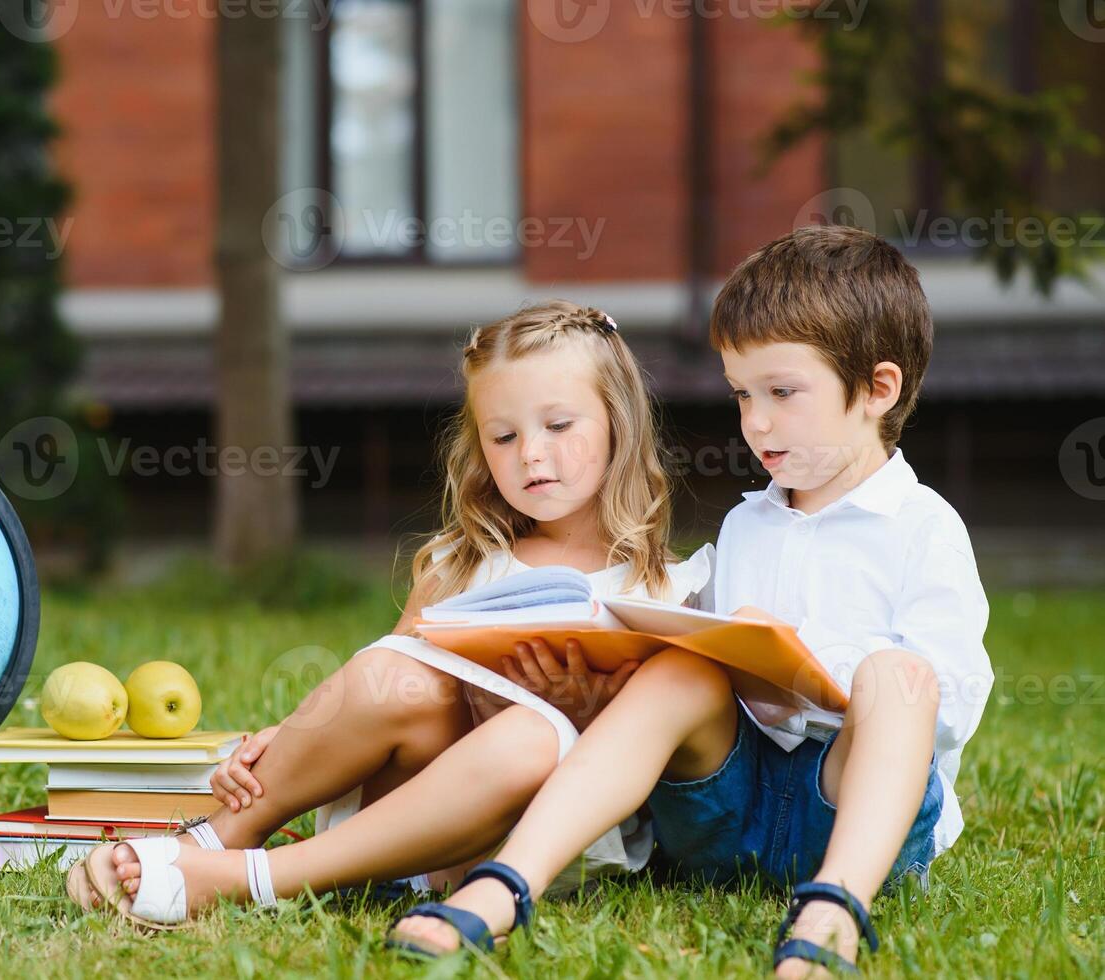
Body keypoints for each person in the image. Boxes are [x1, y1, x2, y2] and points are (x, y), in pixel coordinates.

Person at [387, 226, 994, 977]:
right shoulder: (747, 524)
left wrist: (821, 674)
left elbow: (950, 703)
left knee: (901, 678)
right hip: (727, 816)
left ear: (878, 389)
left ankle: (835, 908)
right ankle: (505, 885)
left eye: (782, 393)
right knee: (682, 670)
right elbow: (713, 692)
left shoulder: (923, 528)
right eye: (744, 394)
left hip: (855, 815)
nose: (756, 421)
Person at [64, 299, 714, 926]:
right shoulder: (463, 560)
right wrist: (290, 735)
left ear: (617, 421)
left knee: (528, 740)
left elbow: (651, 753)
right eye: (504, 436)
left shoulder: (662, 591)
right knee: (394, 673)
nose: (532, 455)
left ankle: (259, 879)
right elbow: (385, 670)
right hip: (410, 796)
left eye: (559, 426)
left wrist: (575, 707)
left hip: (528, 829)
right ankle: (212, 839)